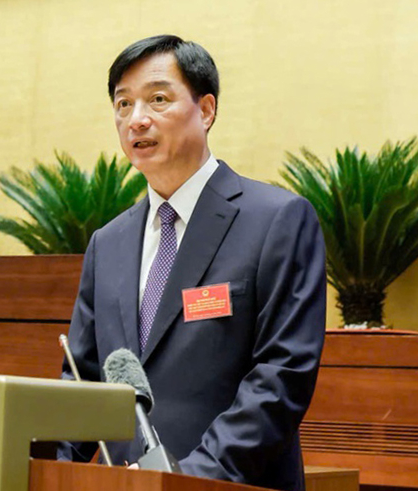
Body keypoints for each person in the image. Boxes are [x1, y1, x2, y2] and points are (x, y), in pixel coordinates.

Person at [58, 34, 326, 491]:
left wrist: (187, 478)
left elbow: (281, 377)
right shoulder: (108, 243)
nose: (136, 119)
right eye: (123, 104)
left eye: (158, 99)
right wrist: (54, 473)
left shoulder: (277, 220)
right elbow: (81, 380)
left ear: (206, 110)